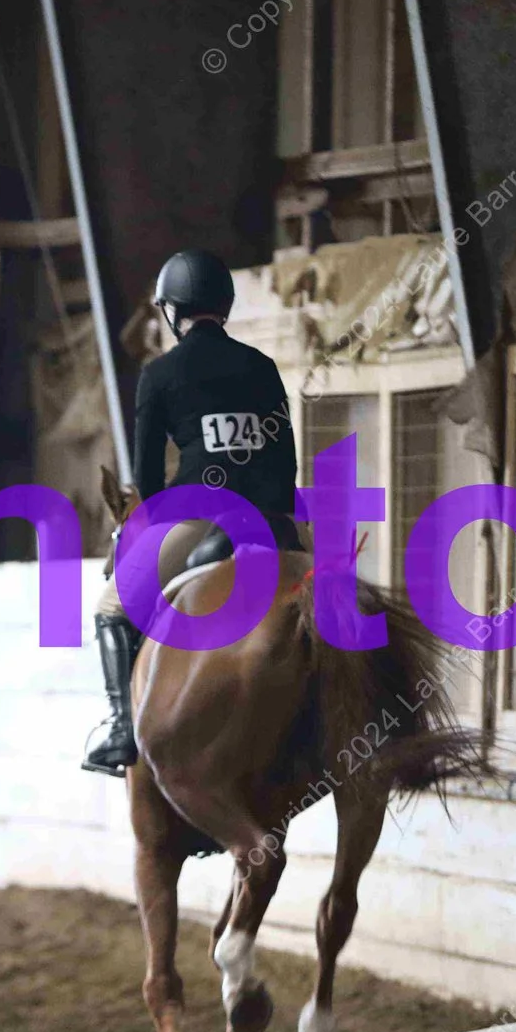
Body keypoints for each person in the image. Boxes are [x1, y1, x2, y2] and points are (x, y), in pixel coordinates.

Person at [82, 247, 301, 776]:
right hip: (275, 520)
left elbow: (147, 482)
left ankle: (121, 729)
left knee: (111, 608)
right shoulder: (262, 367)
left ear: (172, 310)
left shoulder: (160, 374)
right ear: (223, 304)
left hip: (202, 516)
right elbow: (287, 461)